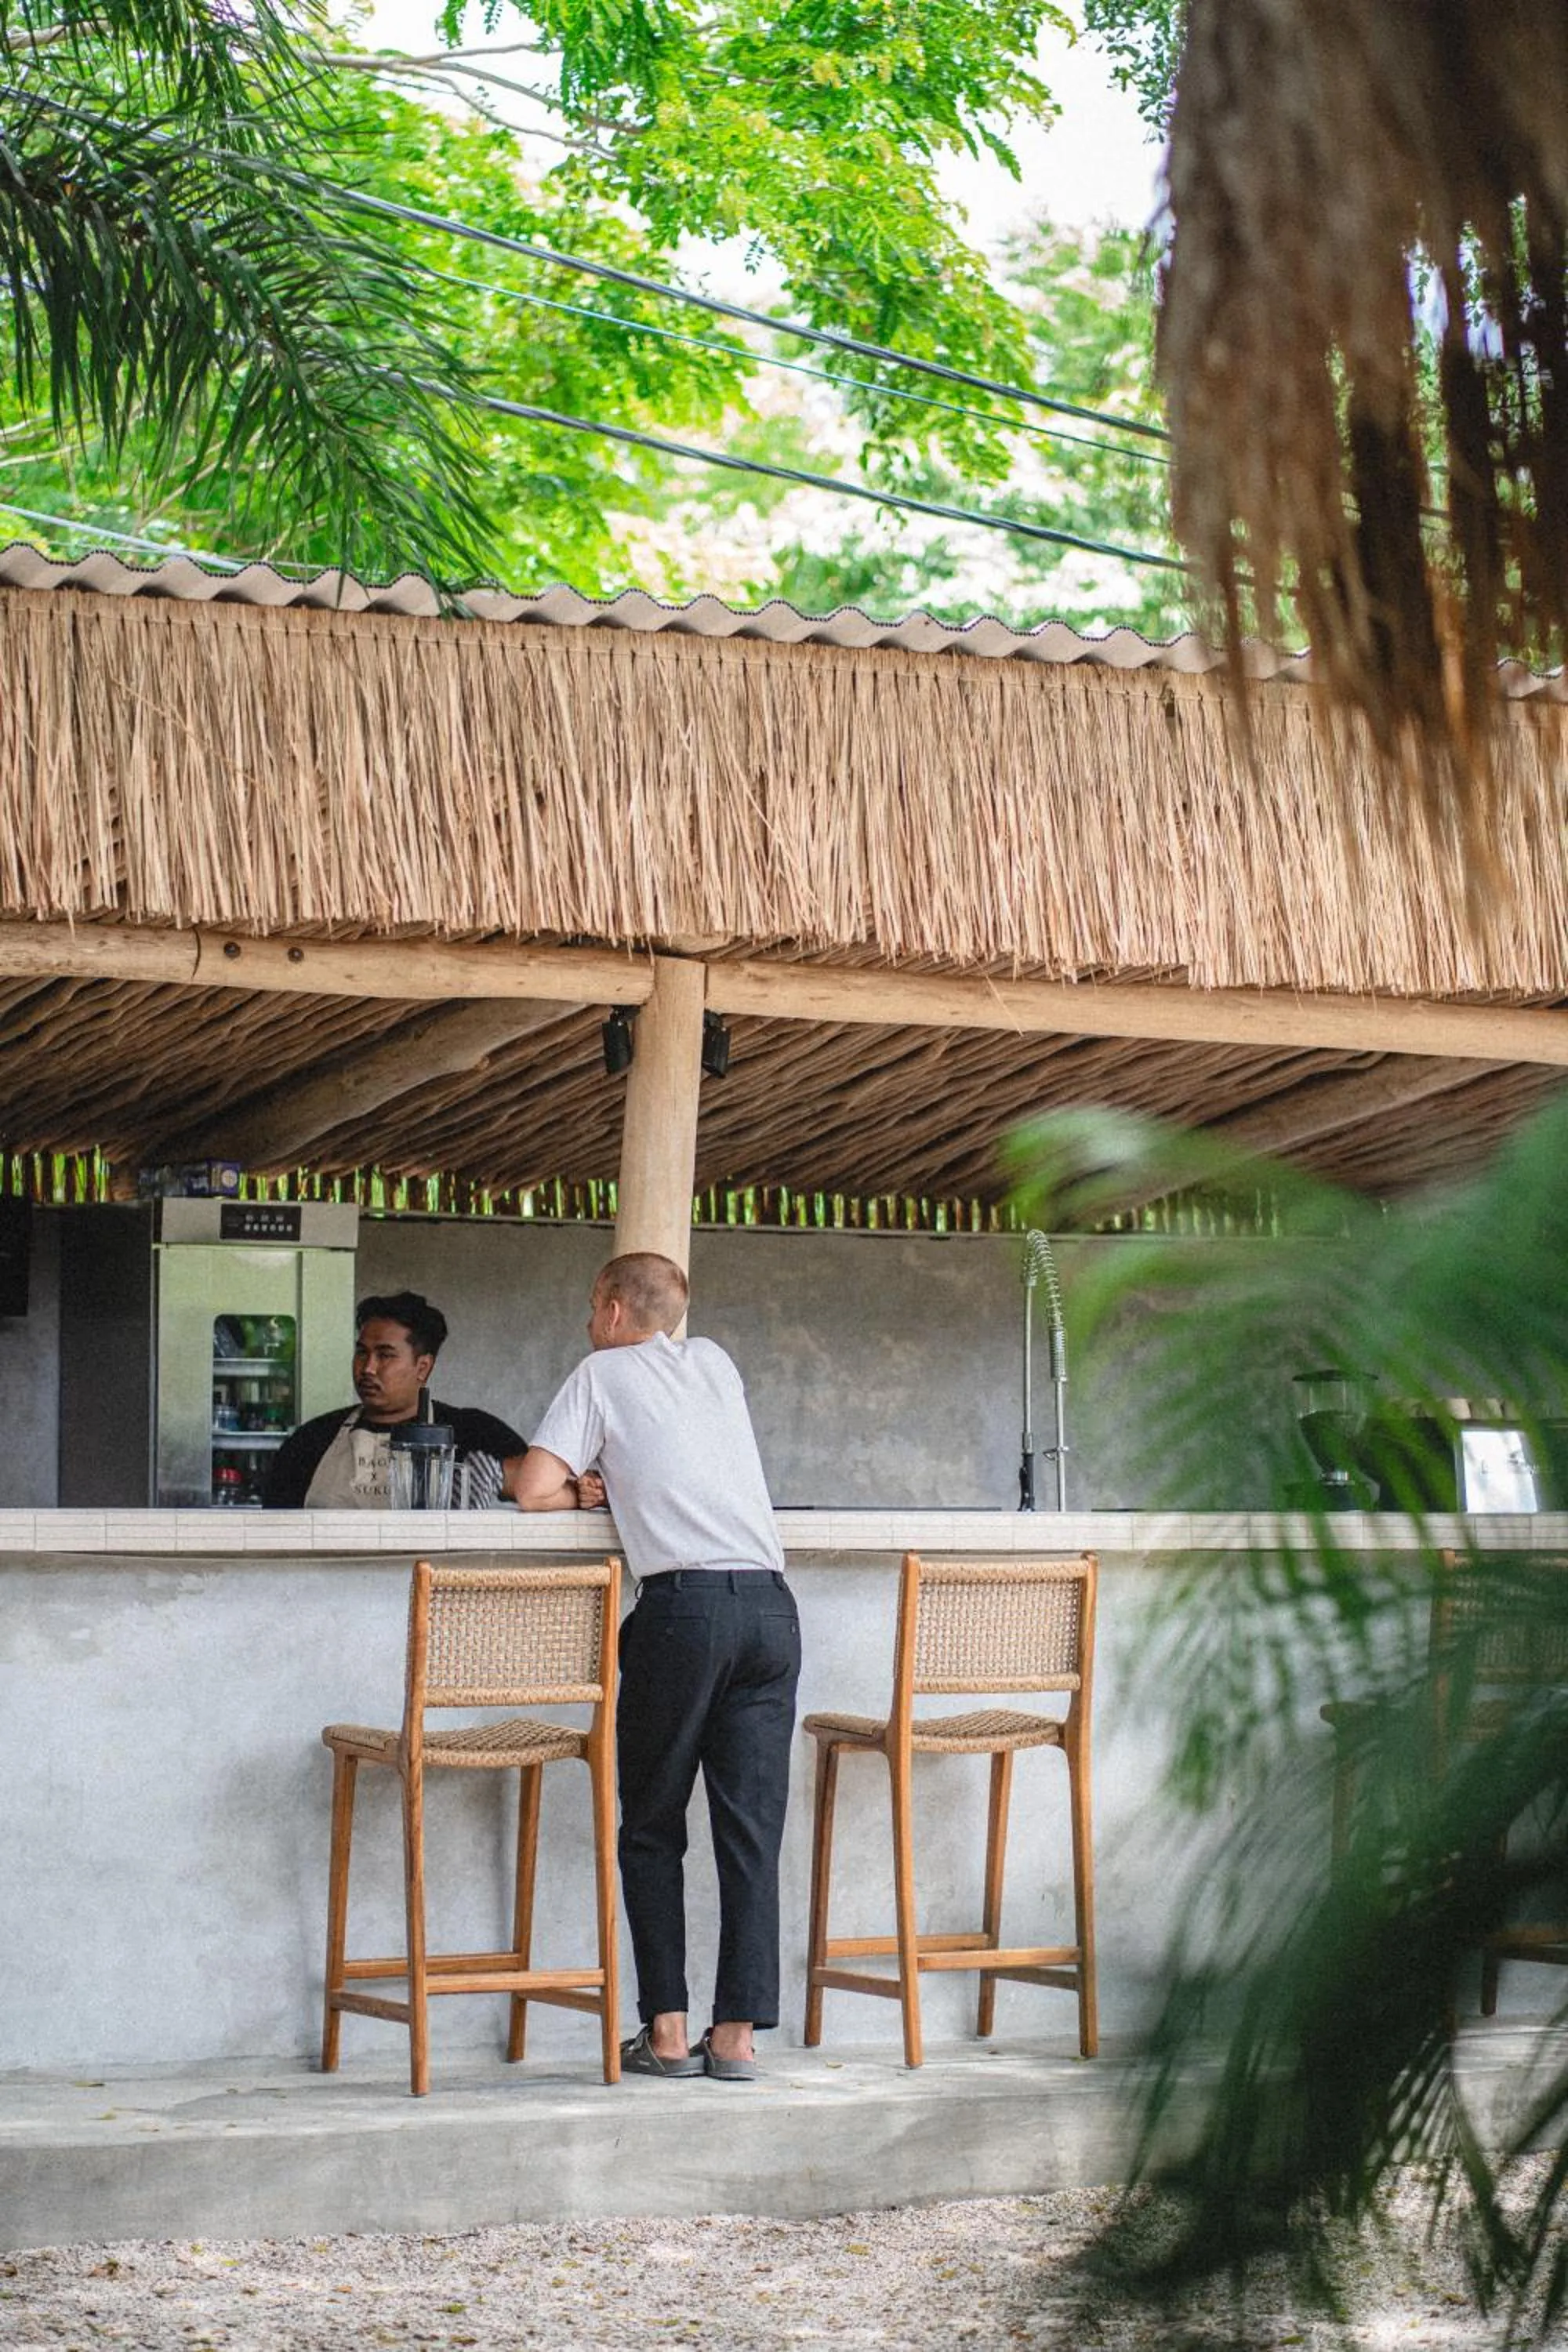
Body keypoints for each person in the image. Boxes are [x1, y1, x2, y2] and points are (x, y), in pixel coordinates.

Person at [508, 1250, 799, 2084]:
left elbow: (531, 1488)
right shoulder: (714, 1363)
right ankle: (736, 2040)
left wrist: (581, 1493)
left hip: (684, 1613)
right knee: (750, 1835)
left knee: (652, 1826)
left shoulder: (601, 1371)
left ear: (607, 1310)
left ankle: (667, 2036)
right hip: (772, 1611)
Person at [264, 1290, 528, 1508]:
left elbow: (546, 1490)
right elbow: (273, 1530)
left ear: (423, 1367)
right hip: (323, 1572)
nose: (368, 1368)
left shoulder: (475, 1433)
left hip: (427, 1572)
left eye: (385, 1355)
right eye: (362, 1353)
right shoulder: (311, 1441)